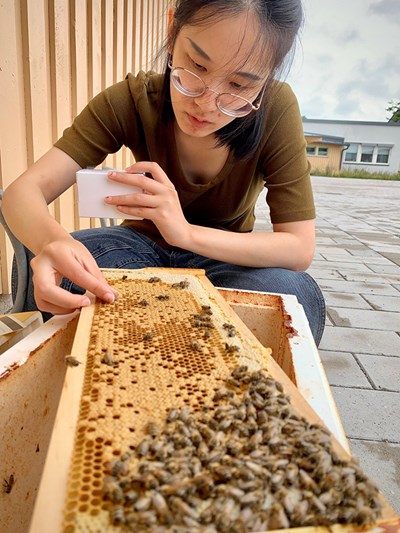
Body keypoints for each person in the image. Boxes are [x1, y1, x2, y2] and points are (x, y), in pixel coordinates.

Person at [2, 0, 326, 345]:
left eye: (239, 86)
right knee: (66, 277)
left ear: (268, 78)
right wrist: (53, 243)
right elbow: (23, 192)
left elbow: (297, 247)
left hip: (228, 255)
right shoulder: (131, 99)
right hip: (135, 245)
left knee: (289, 302)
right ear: (172, 33)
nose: (205, 103)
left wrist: (184, 233)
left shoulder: (276, 109)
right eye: (197, 66)